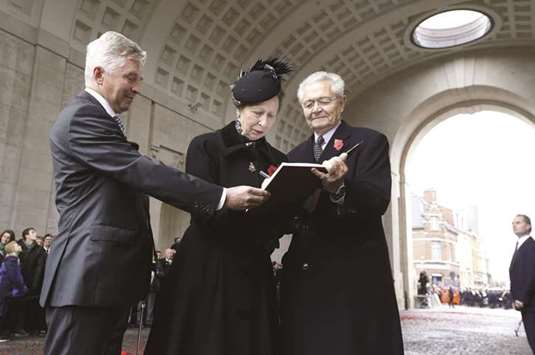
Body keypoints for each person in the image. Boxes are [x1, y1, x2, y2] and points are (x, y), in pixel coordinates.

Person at [41, 31, 269, 355]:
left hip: (103, 280)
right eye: (130, 78)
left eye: (139, 79)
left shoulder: (104, 122)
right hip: (85, 279)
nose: (137, 88)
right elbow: (141, 171)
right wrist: (221, 196)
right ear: (98, 74)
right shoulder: (82, 118)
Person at [145, 58, 293, 355]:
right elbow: (198, 204)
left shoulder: (278, 159)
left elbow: (282, 217)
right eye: (257, 113)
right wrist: (234, 203)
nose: (263, 123)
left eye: (271, 116)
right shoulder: (206, 146)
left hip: (253, 269)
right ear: (239, 108)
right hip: (207, 267)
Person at [280, 71, 404, 355]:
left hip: (353, 275)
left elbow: (377, 201)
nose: (316, 109)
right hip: (305, 274)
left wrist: (339, 188)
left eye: (323, 100)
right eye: (309, 104)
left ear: (341, 103)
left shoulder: (369, 142)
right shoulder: (293, 156)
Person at [509, 214, 535, 353]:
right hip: (527, 304)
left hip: (531, 304)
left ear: (528, 226)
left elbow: (532, 275)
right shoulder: (520, 245)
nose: (514, 225)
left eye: (518, 222)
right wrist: (514, 298)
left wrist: (522, 299)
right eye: (513, 223)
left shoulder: (531, 246)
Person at [19, 227, 47, 335]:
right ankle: (18, 327)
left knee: (32, 306)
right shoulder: (18, 246)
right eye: (33, 232)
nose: (35, 234)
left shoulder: (39, 249)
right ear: (26, 235)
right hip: (19, 279)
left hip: (33, 281)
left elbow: (40, 268)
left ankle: (31, 327)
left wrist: (35, 283)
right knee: (17, 306)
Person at [0, 241, 28, 341]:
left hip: (6, 290)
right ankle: (2, 334)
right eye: (16, 245)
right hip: (7, 290)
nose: (19, 246)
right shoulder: (12, 260)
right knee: (4, 312)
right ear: (12, 249)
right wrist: (22, 288)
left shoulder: (13, 260)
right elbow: (15, 277)